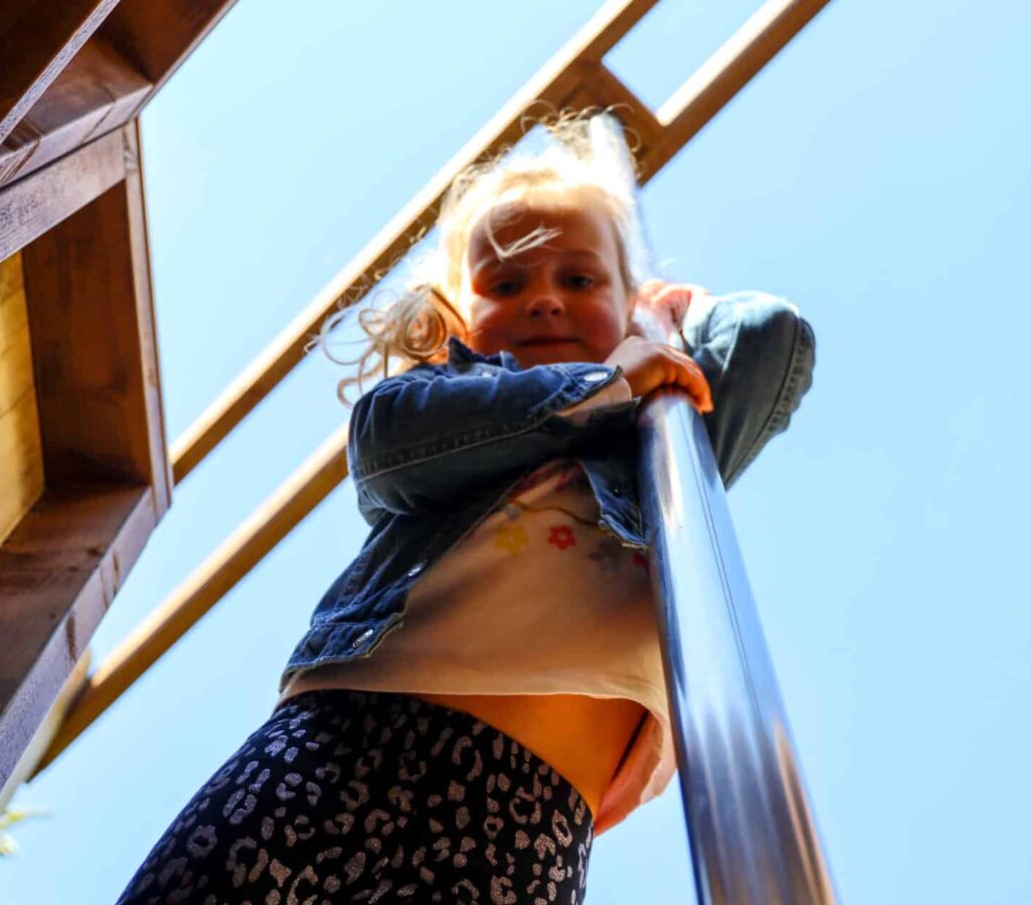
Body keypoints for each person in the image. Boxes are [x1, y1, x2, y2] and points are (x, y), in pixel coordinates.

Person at [117, 114, 815, 904]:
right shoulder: (445, 401)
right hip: (345, 739)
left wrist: (672, 319)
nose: (545, 300)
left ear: (628, 306)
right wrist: (604, 382)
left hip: (528, 806)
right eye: (507, 283)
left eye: (580, 281)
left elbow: (773, 336)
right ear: (458, 314)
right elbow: (386, 444)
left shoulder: (662, 447)